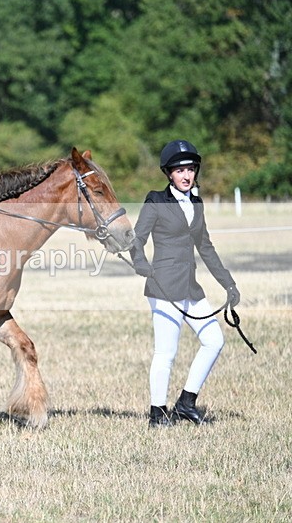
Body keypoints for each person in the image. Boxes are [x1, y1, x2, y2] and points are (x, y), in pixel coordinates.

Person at [130, 139, 241, 428]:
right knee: (166, 352)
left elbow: (206, 247)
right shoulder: (155, 201)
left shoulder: (197, 203)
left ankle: (186, 403)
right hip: (163, 286)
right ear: (169, 173)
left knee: (214, 340)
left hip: (190, 287)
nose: (186, 175)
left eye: (191, 169)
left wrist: (228, 283)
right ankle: (157, 413)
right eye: (180, 171)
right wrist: (141, 263)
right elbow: (137, 240)